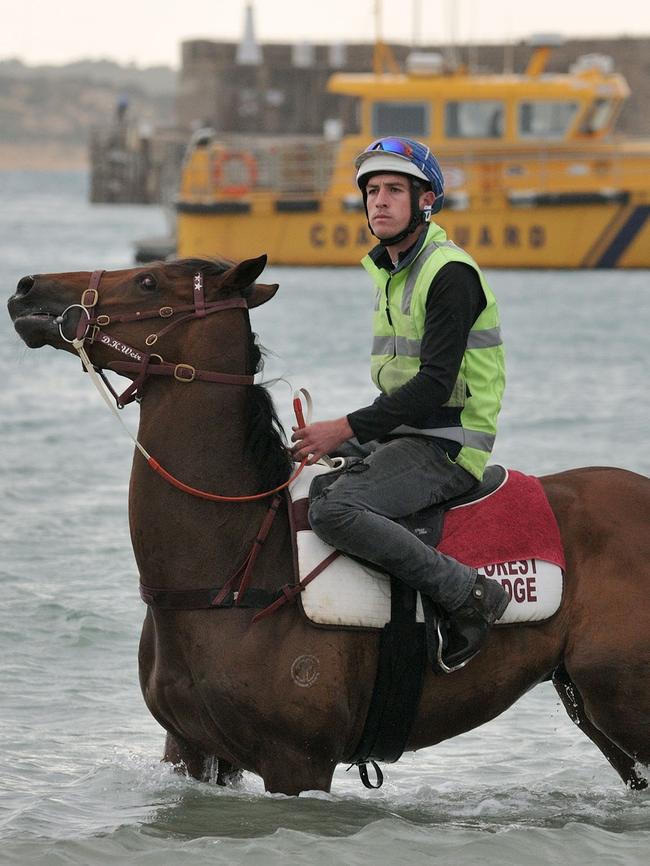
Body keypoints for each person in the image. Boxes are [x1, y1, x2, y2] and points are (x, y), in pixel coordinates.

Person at [291, 136, 508, 668]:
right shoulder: (393, 273)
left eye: (393, 190)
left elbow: (434, 387)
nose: (379, 201)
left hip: (448, 444)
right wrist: (344, 435)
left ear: (425, 200)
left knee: (335, 509)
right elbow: (399, 388)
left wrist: (344, 428)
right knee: (289, 463)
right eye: (371, 191)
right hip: (410, 430)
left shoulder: (449, 273)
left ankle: (467, 596)